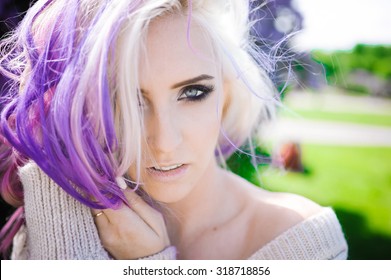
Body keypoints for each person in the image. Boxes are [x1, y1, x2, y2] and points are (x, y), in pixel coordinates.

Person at [0, 0, 347, 260]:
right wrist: (52, 161)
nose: (164, 142)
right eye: (126, 99)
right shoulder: (64, 216)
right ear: (81, 109)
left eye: (193, 93)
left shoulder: (303, 242)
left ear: (226, 93)